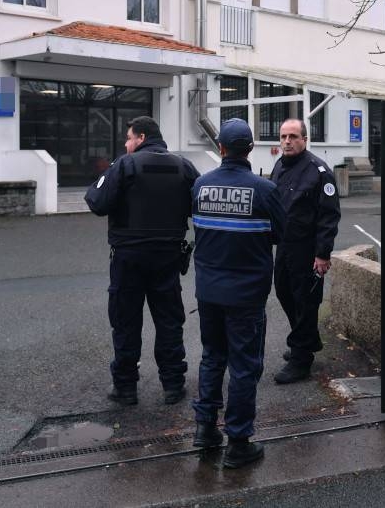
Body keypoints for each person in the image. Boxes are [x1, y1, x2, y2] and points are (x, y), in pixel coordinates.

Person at [190, 118, 285, 470]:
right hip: (246, 295)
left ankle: (204, 429)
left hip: (209, 292)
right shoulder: (264, 190)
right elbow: (281, 233)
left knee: (213, 356)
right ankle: (239, 442)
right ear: (250, 149)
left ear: (221, 149)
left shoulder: (200, 186)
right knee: (244, 366)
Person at [85, 116, 199, 406]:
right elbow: (200, 203)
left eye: (129, 138)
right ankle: (173, 385)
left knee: (125, 322)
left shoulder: (125, 165)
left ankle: (125, 388)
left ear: (142, 137)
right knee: (169, 321)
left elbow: (96, 202)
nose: (126, 144)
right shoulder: (183, 166)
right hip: (167, 257)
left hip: (128, 258)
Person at [270, 118, 341, 384]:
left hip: (307, 249)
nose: (287, 141)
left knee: (305, 301)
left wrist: (323, 253)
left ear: (304, 139)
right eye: (283, 136)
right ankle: (307, 340)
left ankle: (301, 360)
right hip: (284, 246)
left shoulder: (319, 171)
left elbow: (329, 215)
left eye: (293, 136)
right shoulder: (280, 166)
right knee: (284, 293)